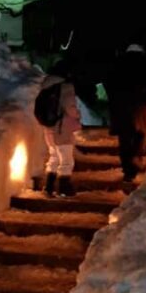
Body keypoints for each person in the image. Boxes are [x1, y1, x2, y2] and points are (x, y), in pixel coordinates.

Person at [103, 44, 146, 181]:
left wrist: (114, 98)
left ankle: (128, 168)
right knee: (139, 134)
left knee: (124, 138)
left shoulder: (118, 64)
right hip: (140, 105)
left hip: (121, 107)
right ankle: (136, 158)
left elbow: (108, 82)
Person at [37, 60, 82, 197]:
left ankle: (49, 186)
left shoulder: (46, 86)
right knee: (67, 160)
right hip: (63, 128)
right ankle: (64, 187)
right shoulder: (65, 87)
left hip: (49, 128)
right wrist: (77, 115)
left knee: (54, 156)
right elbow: (70, 107)